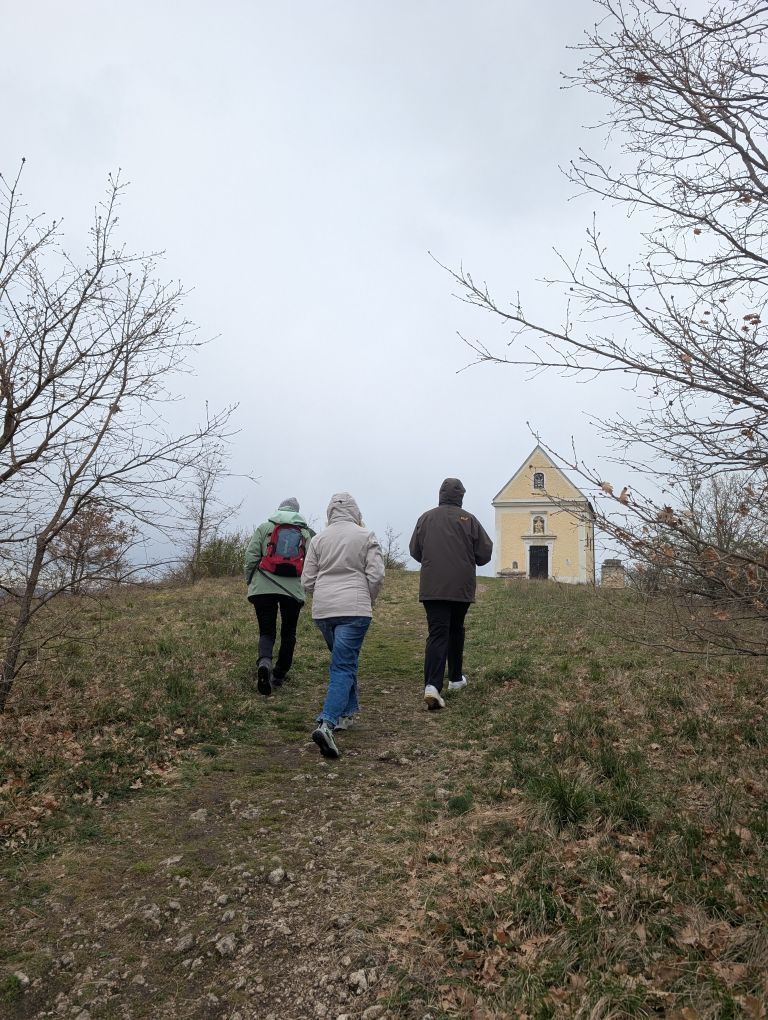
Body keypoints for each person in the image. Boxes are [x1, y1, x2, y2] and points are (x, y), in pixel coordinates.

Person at [301, 492, 385, 759]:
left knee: (343, 661)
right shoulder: (366, 535)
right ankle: (327, 723)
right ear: (355, 511)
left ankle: (346, 714)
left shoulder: (318, 539)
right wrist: (368, 598)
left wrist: (322, 596)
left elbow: (307, 580)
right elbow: (376, 575)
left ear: (330, 512)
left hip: (324, 612)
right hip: (354, 609)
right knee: (344, 665)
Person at [409, 478, 493, 710]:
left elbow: (415, 550)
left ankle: (432, 686)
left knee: (437, 633)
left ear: (440, 494)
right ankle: (455, 679)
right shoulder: (469, 520)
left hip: (432, 587)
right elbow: (484, 554)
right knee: (456, 629)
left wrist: (432, 560)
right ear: (461, 496)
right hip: (461, 587)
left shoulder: (425, 518)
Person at [244, 497, 315, 696]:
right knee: (288, 633)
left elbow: (250, 557)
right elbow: (312, 563)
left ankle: (265, 662)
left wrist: (250, 580)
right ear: (297, 512)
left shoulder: (264, 528)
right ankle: (279, 675)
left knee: (266, 632)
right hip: (293, 591)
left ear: (279, 509)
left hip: (263, 588)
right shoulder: (305, 533)